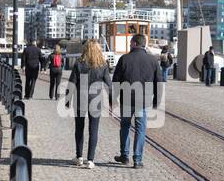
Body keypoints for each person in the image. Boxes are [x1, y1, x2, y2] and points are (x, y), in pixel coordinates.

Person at [112, 33, 161, 169]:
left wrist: (113, 98)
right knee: (140, 129)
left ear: (134, 43)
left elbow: (116, 80)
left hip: (127, 99)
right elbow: (159, 82)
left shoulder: (124, 59)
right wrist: (157, 99)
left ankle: (124, 156)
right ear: (143, 44)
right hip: (143, 101)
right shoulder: (152, 60)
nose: (129, 44)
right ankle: (137, 160)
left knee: (125, 127)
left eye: (130, 42)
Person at [66, 39, 111, 168]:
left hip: (81, 99)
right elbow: (109, 84)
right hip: (95, 100)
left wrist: (68, 99)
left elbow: (72, 82)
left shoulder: (79, 63)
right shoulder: (103, 64)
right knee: (94, 130)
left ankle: (79, 156)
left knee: (79, 128)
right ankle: (90, 160)